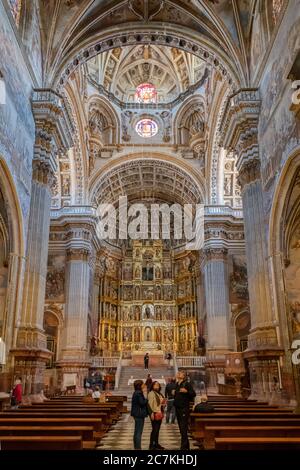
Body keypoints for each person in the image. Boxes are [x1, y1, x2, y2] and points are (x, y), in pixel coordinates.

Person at [174, 370, 196, 450]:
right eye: (178, 373)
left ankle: (183, 447)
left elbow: (193, 394)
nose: (178, 374)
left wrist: (186, 391)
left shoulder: (187, 384)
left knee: (183, 428)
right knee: (181, 428)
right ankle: (186, 446)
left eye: (180, 373)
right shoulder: (177, 384)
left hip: (184, 408)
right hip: (177, 407)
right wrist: (174, 393)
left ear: (183, 376)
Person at [147, 381, 166, 450]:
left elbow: (161, 402)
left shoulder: (159, 393)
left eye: (158, 384)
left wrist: (163, 404)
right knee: (154, 430)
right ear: (152, 386)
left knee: (157, 430)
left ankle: (156, 444)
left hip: (159, 412)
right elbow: (149, 404)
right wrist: (151, 413)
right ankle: (151, 445)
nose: (157, 385)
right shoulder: (151, 393)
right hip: (154, 413)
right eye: (155, 384)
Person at [131, 380, 148, 450]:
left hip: (136, 413)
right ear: (140, 385)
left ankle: (136, 447)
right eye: (143, 384)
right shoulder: (139, 393)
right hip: (139, 414)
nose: (144, 385)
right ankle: (138, 448)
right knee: (138, 432)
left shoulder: (136, 392)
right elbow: (142, 403)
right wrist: (146, 397)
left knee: (136, 431)